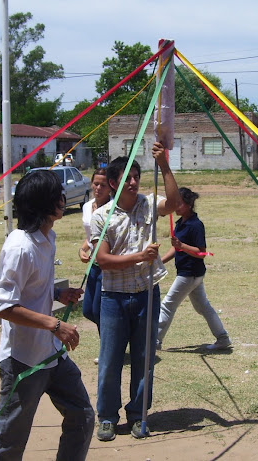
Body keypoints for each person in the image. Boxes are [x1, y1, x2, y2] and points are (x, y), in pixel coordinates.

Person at [0, 169, 94, 461]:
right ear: (43, 204)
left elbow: (31, 290)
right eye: (57, 194)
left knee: (82, 416)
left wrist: (58, 295)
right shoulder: (20, 247)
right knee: (10, 439)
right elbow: (4, 306)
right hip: (23, 360)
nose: (62, 198)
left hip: (52, 355)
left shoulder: (47, 238)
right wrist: (55, 324)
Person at [90, 141, 179, 441]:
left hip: (146, 295)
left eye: (137, 176)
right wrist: (139, 257)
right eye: (127, 177)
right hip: (113, 299)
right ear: (113, 183)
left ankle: (139, 414)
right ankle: (107, 416)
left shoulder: (148, 203)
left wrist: (164, 165)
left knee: (143, 360)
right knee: (110, 360)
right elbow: (102, 260)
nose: (134, 181)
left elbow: (177, 203)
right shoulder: (102, 216)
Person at [156, 187, 231, 351]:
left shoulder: (195, 225)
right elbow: (176, 249)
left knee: (168, 305)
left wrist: (181, 245)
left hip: (190, 274)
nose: (176, 207)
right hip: (191, 274)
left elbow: (201, 252)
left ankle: (154, 341)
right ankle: (223, 338)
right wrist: (160, 261)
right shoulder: (180, 223)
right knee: (203, 307)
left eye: (179, 203)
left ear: (189, 204)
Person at [79, 167, 112, 331]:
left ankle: (107, 351)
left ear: (111, 187)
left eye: (103, 185)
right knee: (88, 310)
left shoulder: (113, 208)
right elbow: (91, 235)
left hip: (106, 263)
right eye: (95, 184)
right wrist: (82, 249)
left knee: (99, 310)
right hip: (93, 263)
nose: (98, 188)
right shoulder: (86, 206)